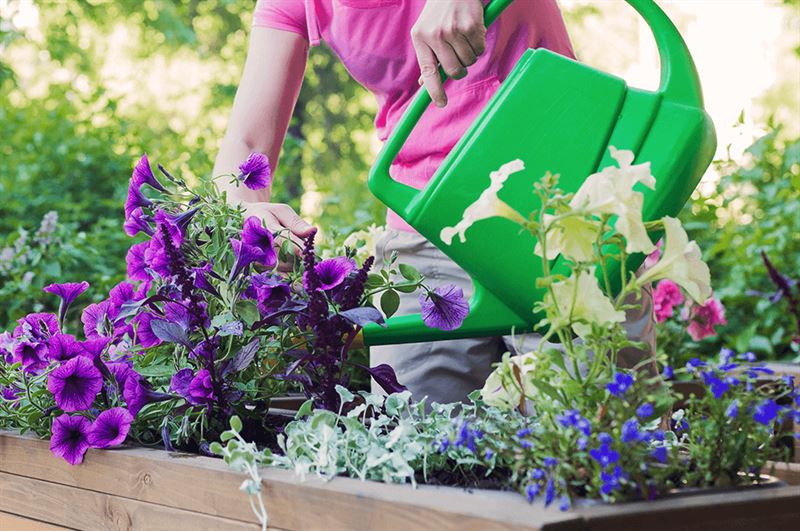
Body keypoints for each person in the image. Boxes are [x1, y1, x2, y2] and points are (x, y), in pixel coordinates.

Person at [213, 0, 655, 405]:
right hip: (427, 236)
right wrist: (247, 208)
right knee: (415, 447)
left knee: (603, 441)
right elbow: (246, 143)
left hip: (562, 209)